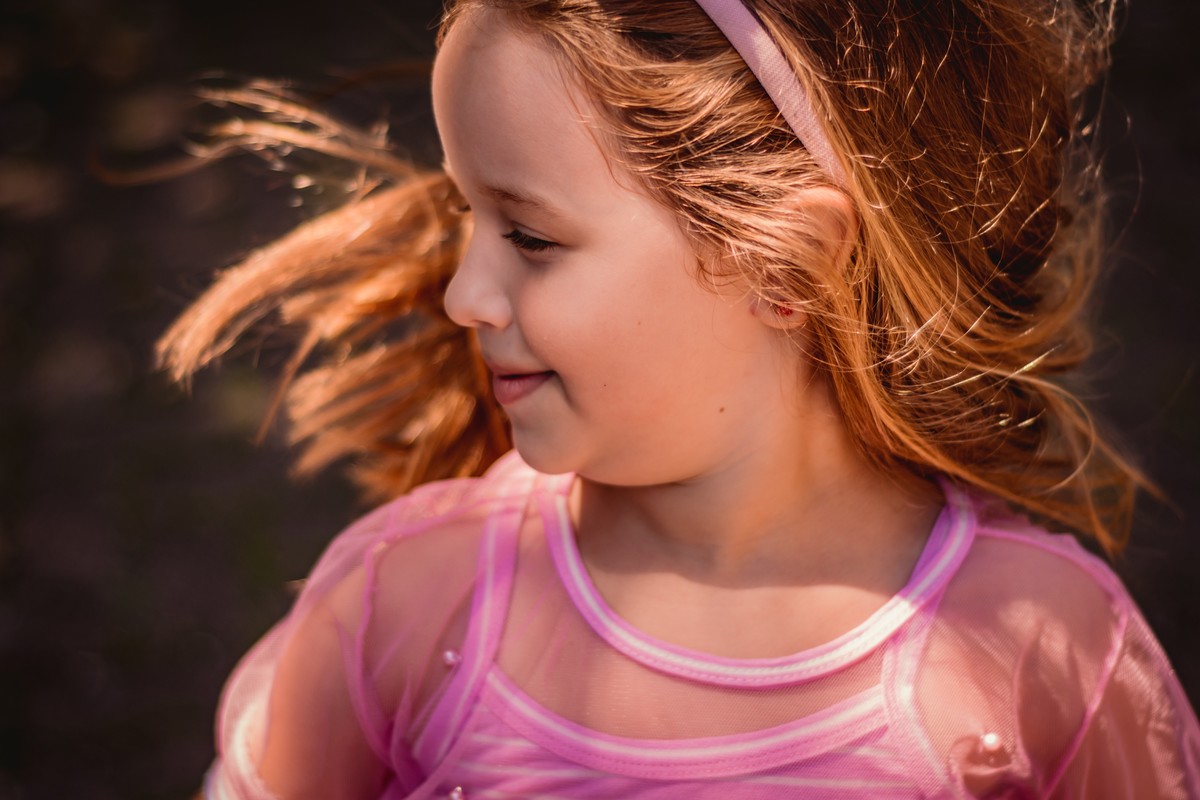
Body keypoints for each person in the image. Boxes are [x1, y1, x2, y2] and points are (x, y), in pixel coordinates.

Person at [160, 1, 1200, 797]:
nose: (463, 294)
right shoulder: (408, 601)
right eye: (464, 211)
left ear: (789, 262)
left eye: (529, 235)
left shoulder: (1044, 651)